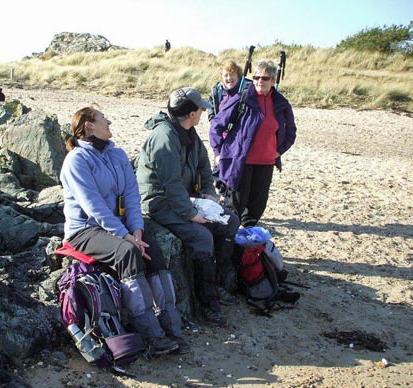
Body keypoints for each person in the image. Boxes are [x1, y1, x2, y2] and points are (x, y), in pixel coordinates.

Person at [60, 106, 188, 355]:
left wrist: (137, 230)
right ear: (89, 126)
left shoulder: (117, 154)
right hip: (85, 230)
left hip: (121, 225)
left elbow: (131, 194)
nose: (108, 121)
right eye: (102, 118)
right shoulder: (76, 160)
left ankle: (172, 326)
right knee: (128, 252)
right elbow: (93, 206)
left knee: (152, 249)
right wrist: (126, 236)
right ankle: (150, 334)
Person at [136, 88, 240, 327]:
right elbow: (170, 185)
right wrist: (192, 215)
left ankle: (223, 285)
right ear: (192, 113)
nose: (204, 111)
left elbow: (203, 166)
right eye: (201, 108)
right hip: (159, 202)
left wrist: (209, 194)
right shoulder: (164, 137)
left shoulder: (189, 133)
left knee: (231, 222)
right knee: (202, 237)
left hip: (186, 197)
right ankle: (207, 305)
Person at [209, 60, 297, 227]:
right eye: (256, 77)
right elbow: (217, 125)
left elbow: (291, 131)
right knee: (235, 207)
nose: (259, 81)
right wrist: (218, 152)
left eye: (265, 78)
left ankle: (246, 244)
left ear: (273, 81)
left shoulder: (280, 103)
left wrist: (279, 151)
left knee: (256, 208)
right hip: (240, 162)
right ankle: (229, 245)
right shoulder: (242, 98)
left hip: (266, 163)